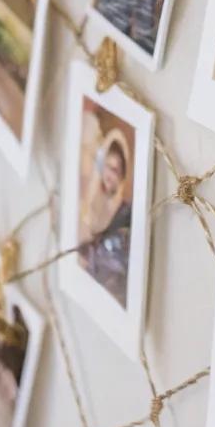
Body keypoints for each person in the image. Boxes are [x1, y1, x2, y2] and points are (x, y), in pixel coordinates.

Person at [79, 131, 133, 306]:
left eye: (115, 169)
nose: (109, 174)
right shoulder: (90, 203)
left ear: (122, 175)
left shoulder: (126, 214)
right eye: (107, 166)